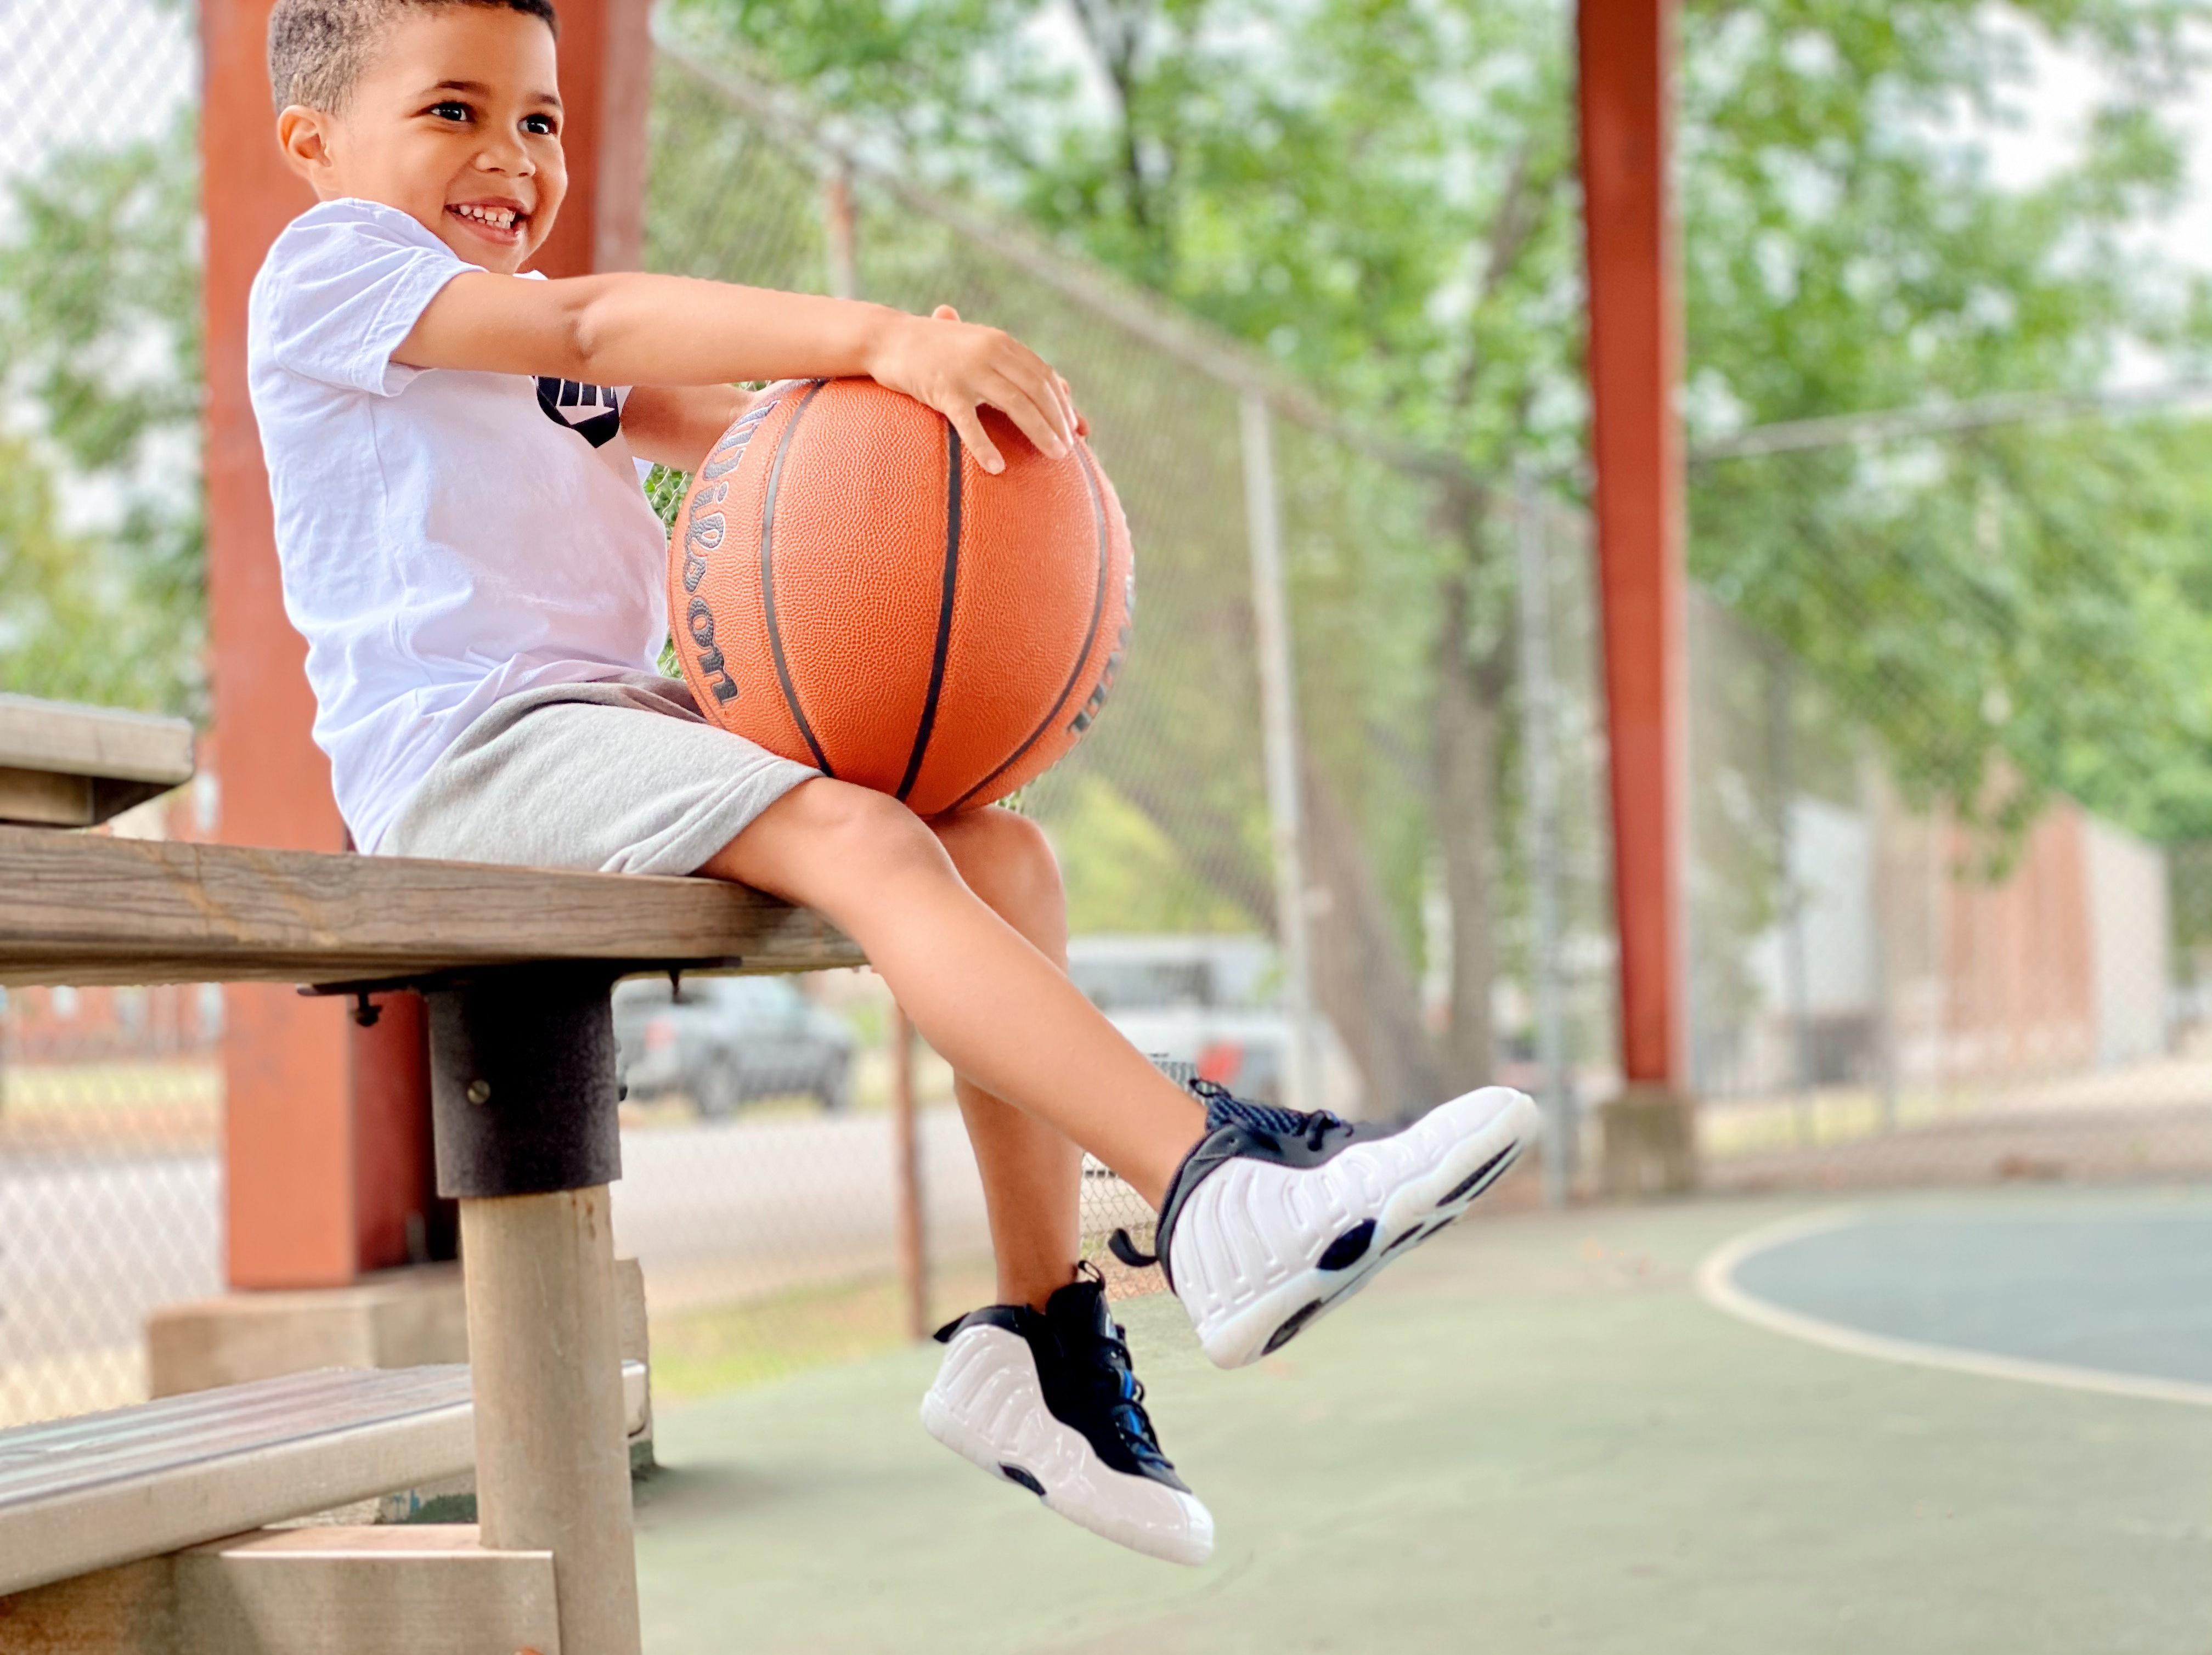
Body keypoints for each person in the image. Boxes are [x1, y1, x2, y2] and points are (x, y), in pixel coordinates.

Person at [248, 0, 1537, 1568]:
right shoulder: (337, 276)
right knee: (861, 834)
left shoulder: (509, 330)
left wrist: (952, 436)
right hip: (471, 756)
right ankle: (1209, 1186)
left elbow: (755, 445)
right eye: (454, 111)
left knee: (999, 851)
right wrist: (880, 335)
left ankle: (1041, 1339)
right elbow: (594, 332)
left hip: (614, 725)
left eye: (541, 120)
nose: (514, 156)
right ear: (314, 145)